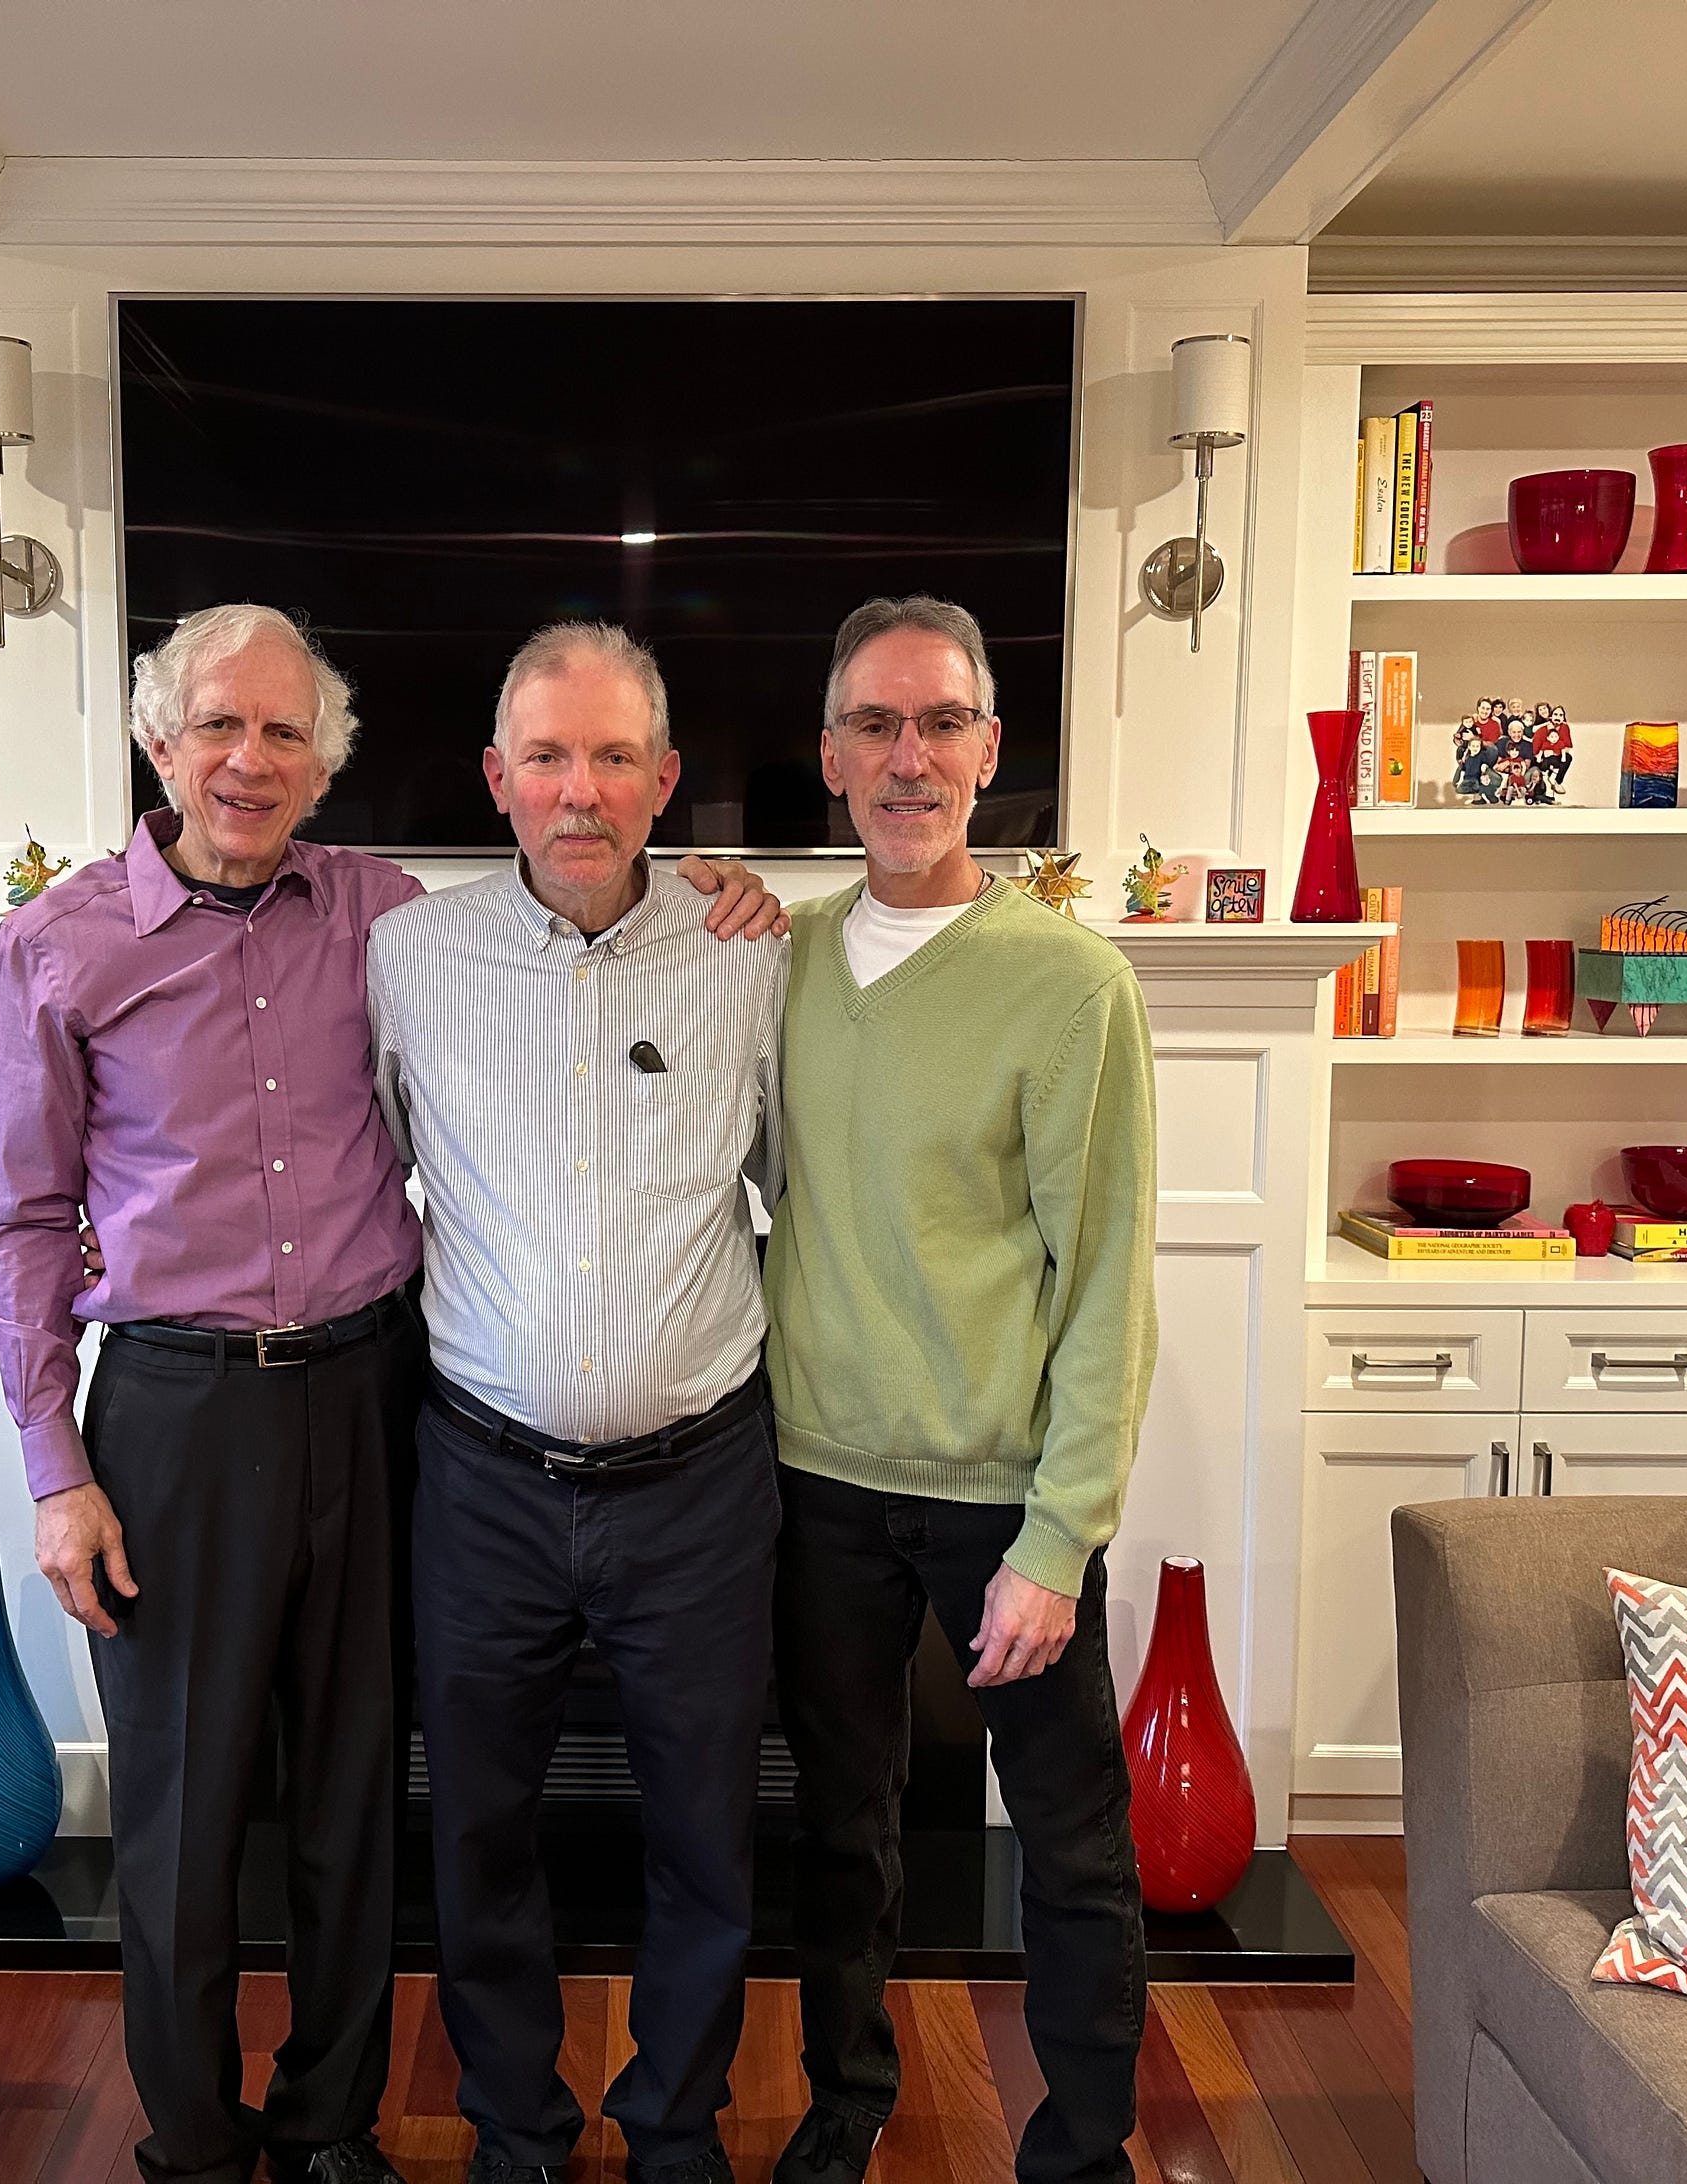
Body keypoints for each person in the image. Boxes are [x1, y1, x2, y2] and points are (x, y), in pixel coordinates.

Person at [0, 603, 777, 2184]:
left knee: (357, 1795)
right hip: (176, 1412)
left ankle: (333, 2122)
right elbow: (23, 1217)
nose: (249, 759)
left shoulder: (382, 916)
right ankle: (196, 2143)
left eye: (284, 731)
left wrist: (712, 883)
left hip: (368, 1393)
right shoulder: (65, 942)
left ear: (326, 760)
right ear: (158, 741)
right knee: (185, 1808)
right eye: (219, 724)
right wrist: (54, 1464)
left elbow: (575, 909)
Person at [365, 623, 787, 2184]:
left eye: (614, 757)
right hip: (481, 1481)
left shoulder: (755, 958)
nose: (580, 790)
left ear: (666, 779)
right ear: (497, 777)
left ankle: (675, 2130)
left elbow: (797, 1188)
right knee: (477, 1833)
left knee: (707, 1838)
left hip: (700, 1486)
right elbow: (364, 1176)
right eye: (547, 756)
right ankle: (516, 2135)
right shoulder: (410, 964)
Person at [762, 595, 1158, 2184]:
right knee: (839, 1832)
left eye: (939, 724)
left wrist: (1060, 1540)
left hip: (1005, 1498)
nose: (907, 758)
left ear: (990, 751)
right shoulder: (776, 962)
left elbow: (1108, 1278)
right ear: (830, 758)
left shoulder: (1071, 986)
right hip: (813, 1482)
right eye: (875, 724)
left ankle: (1085, 2151)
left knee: (1070, 1844)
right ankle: (845, 2105)